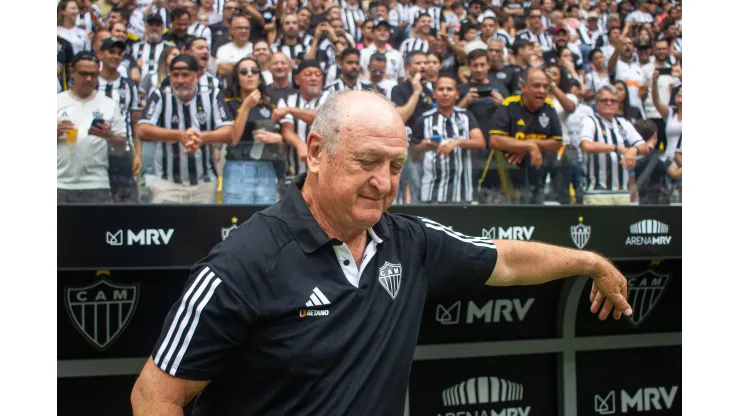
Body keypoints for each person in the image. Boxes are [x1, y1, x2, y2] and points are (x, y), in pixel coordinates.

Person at [130, 89, 634, 414]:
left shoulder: (406, 241)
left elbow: (502, 260)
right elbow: (154, 398)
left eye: (395, 166)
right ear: (315, 152)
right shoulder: (241, 264)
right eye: (368, 161)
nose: (383, 182)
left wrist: (590, 261)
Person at [137, 54, 234, 204]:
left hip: (205, 184)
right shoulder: (160, 95)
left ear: (199, 75)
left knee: (202, 228)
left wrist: (200, 138)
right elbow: (142, 129)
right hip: (166, 183)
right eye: (175, 75)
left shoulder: (212, 94)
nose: (180, 80)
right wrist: (180, 135)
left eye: (185, 75)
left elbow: (228, 132)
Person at [57, 51, 128, 204]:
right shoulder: (56, 101)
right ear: (72, 73)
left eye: (93, 75)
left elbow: (122, 148)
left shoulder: (109, 104)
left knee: (98, 228)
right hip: (59, 182)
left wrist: (109, 136)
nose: (88, 79)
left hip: (96, 183)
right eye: (83, 74)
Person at [487, 68, 564, 204]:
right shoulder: (509, 105)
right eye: (536, 86)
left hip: (536, 178)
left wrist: (528, 145)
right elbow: (494, 140)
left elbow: (557, 142)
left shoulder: (548, 106)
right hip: (505, 179)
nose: (541, 90)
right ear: (523, 87)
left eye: (545, 87)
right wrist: (529, 146)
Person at [411, 75, 486, 203]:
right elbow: (414, 157)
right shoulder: (424, 119)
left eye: (449, 89)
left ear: (457, 94)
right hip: (432, 191)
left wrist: (457, 142)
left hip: (464, 190)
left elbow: (481, 143)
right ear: (434, 94)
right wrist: (423, 147)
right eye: (441, 89)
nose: (445, 93)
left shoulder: (466, 117)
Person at [222, 57, 285, 204]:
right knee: (237, 219)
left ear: (259, 77)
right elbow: (233, 139)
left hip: (266, 167)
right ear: (237, 78)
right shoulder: (227, 101)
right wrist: (245, 107)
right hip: (237, 166)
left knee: (266, 219)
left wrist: (277, 138)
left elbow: (284, 134)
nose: (249, 74)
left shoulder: (270, 102)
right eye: (244, 72)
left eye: (254, 71)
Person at [576, 85, 649, 205]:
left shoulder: (623, 123)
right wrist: (617, 148)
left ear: (618, 103)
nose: (609, 103)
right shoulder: (590, 121)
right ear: (596, 103)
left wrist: (633, 150)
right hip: (597, 193)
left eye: (613, 100)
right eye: (604, 100)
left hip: (622, 192)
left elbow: (644, 147)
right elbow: (586, 145)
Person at [96, 37, 143, 204]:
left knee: (126, 204)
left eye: (119, 53)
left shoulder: (129, 86)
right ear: (101, 54)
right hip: (94, 152)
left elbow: (135, 123)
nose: (116, 56)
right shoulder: (91, 83)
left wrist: (138, 154)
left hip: (122, 151)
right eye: (111, 52)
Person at [651, 72, 682, 202]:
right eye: (679, 92)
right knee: (665, 202)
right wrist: (654, 82)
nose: (680, 93)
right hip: (668, 162)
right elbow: (656, 101)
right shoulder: (670, 113)